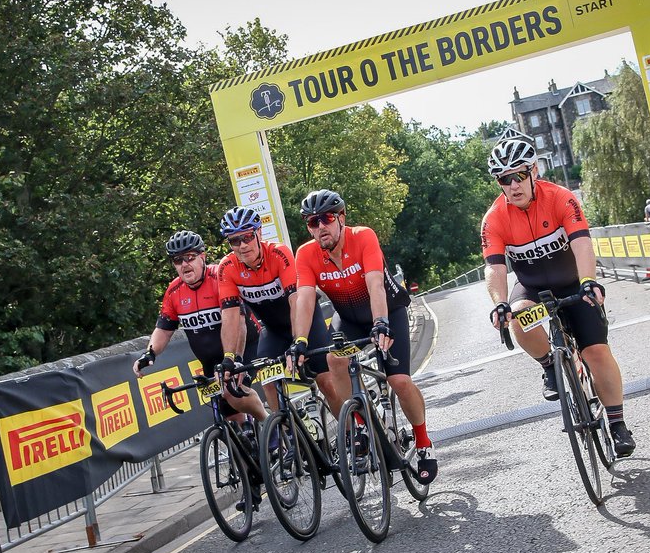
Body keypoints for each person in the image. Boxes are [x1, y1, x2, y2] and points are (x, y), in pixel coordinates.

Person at [480, 136, 636, 457]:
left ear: (534, 171)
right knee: (519, 319)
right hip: (533, 289)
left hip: (572, 283)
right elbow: (494, 268)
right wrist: (499, 302)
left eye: (519, 175)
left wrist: (589, 281)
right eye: (504, 179)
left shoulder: (561, 198)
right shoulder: (494, 218)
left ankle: (617, 423)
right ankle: (550, 364)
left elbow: (581, 243)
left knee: (595, 353)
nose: (512, 185)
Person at [290, 190, 437, 483]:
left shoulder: (363, 236)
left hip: (386, 311)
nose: (320, 227)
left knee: (399, 380)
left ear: (341, 217)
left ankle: (423, 442)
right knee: (334, 360)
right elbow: (305, 299)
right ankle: (359, 425)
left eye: (327, 218)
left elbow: (375, 284)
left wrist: (381, 322)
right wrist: (300, 341)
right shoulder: (306, 254)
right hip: (348, 319)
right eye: (312, 222)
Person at [215, 206, 347, 420]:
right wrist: (230, 357)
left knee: (325, 381)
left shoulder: (278, 253)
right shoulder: (227, 268)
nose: (242, 245)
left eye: (247, 237)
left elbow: (296, 301)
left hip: (306, 321)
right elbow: (230, 317)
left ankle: (350, 434)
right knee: (268, 380)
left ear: (258, 233)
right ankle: (291, 435)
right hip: (274, 329)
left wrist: (298, 341)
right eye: (234, 241)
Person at [133, 231, 267, 428]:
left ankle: (269, 425)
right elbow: (164, 329)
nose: (185, 264)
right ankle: (249, 441)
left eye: (190, 257)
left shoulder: (220, 277)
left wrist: (235, 359)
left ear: (202, 257)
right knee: (229, 416)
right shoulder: (174, 291)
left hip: (244, 347)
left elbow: (238, 322)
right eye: (178, 260)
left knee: (233, 391)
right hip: (210, 359)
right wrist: (150, 353)